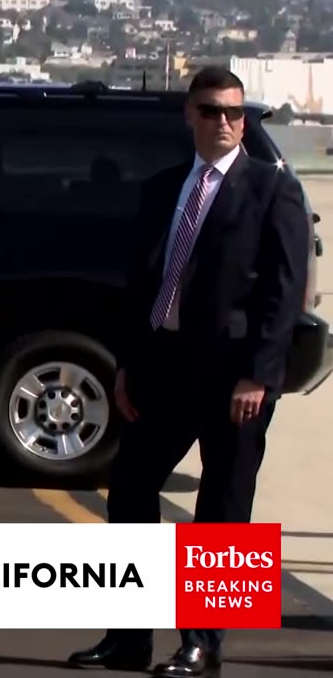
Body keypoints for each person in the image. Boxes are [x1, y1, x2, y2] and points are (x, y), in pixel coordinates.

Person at [66, 68, 310, 677]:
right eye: (211, 111)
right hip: (162, 366)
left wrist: (260, 373)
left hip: (234, 376)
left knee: (222, 507)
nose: (225, 122)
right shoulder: (163, 189)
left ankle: (203, 643)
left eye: (235, 112)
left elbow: (283, 293)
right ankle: (127, 635)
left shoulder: (269, 190)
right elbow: (142, 283)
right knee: (128, 491)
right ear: (189, 116)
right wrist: (127, 364)